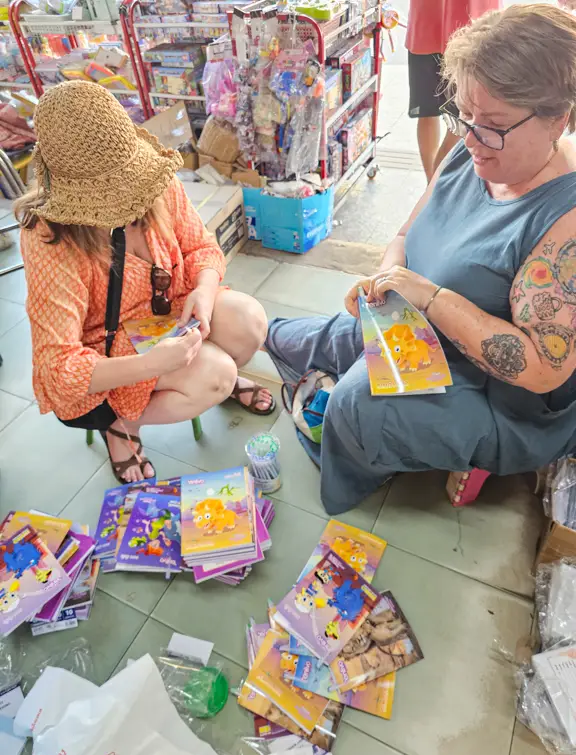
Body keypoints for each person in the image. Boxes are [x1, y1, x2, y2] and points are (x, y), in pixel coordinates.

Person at [266, 4, 576, 516]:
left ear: (557, 120)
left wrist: (430, 296)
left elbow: (540, 369)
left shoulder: (563, 225)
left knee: (354, 405)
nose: (471, 138)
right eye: (464, 114)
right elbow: (409, 231)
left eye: (493, 125)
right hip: (420, 325)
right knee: (297, 338)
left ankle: (372, 460)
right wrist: (385, 279)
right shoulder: (472, 145)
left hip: (498, 392)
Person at [16, 81, 274, 484]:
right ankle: (121, 426)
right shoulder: (49, 236)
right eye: (111, 196)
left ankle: (205, 381)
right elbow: (58, 367)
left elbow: (201, 248)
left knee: (250, 320)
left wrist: (204, 293)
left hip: (171, 306)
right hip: (110, 343)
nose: (128, 203)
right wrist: (153, 364)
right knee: (216, 375)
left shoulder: (153, 177)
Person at [406, 0, 500, 181]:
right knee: (461, 118)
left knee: (439, 115)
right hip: (471, 26)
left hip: (430, 24)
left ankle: (432, 185)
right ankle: (434, 186)